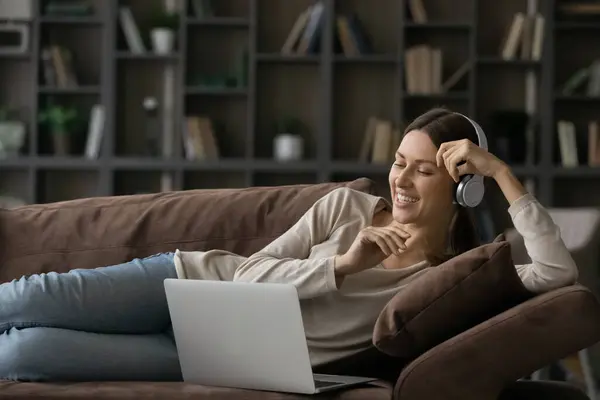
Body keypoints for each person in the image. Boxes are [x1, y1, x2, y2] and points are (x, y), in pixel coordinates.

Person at [0, 107, 578, 382]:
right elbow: (251, 276)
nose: (399, 180)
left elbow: (556, 273)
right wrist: (343, 265)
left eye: (423, 171)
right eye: (398, 162)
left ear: (462, 187)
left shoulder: (448, 280)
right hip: (187, 281)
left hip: (221, 359)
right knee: (27, 297)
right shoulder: (346, 209)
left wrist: (501, 173)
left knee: (24, 355)